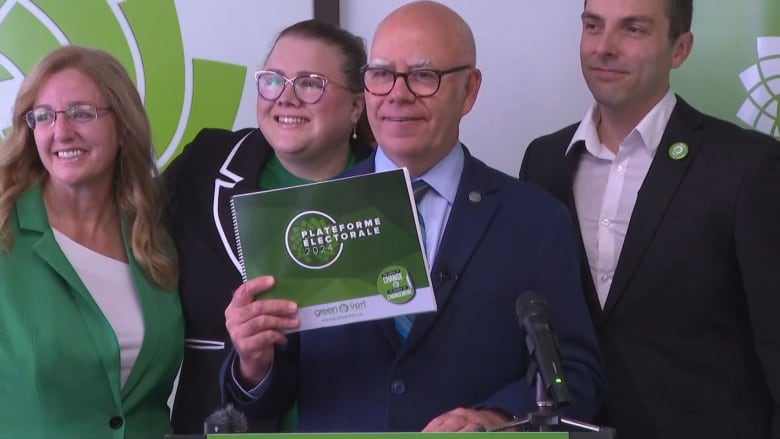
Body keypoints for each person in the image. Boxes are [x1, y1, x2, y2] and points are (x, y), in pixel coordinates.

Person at [220, 1, 605, 432]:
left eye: (424, 76)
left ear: (470, 90)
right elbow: (265, 395)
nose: (398, 95)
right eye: (382, 75)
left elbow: (576, 373)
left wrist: (497, 418)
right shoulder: (311, 214)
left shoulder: (533, 219)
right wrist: (254, 362)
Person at [519, 1, 780, 438]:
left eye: (633, 29)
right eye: (592, 26)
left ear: (680, 49)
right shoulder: (544, 161)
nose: (604, 47)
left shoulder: (746, 166)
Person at [163, 19, 373, 433]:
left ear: (355, 105)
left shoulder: (391, 192)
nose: (286, 98)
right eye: (273, 80)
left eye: (311, 83)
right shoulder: (203, 167)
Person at [0, 45, 184, 438]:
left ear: (124, 129)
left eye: (82, 113)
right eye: (44, 116)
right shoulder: (5, 233)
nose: (61, 131)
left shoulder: (155, 233)